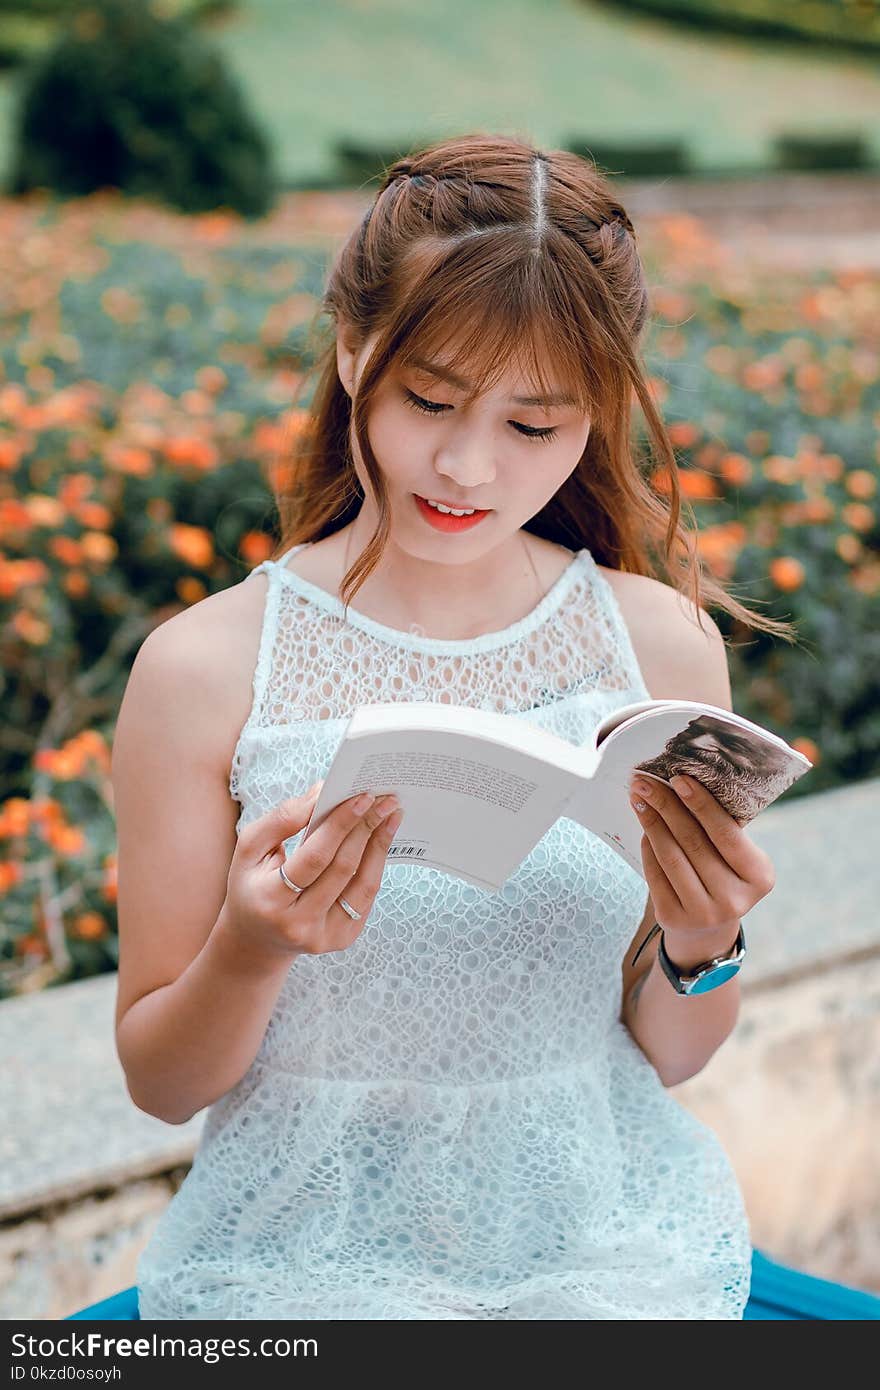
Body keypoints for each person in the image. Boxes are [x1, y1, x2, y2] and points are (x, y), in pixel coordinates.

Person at [111, 133, 800, 1320]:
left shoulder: (654, 644)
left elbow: (677, 1055)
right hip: (298, 1266)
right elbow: (162, 1084)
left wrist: (701, 944)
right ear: (351, 348)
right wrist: (251, 942)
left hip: (612, 1245)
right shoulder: (205, 668)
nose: (467, 466)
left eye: (534, 427)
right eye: (428, 398)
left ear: (597, 414)